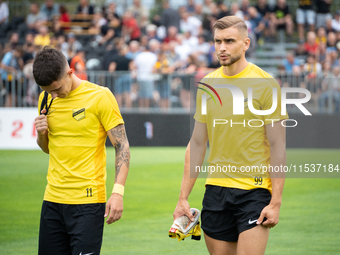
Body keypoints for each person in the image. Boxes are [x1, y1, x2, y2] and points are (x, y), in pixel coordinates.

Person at [173, 16, 287, 255]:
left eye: (229, 41)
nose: (222, 47)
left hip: (254, 192)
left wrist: (275, 202)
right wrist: (183, 198)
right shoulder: (208, 85)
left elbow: (278, 147)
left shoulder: (266, 84)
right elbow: (197, 143)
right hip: (215, 190)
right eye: (217, 41)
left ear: (245, 43)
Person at [33, 46, 130, 255]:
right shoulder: (46, 99)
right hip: (52, 200)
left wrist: (117, 192)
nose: (54, 95)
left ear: (70, 73)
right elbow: (47, 148)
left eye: (57, 90)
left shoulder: (100, 96)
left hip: (87, 203)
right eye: (48, 91)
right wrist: (41, 135)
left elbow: (122, 145)